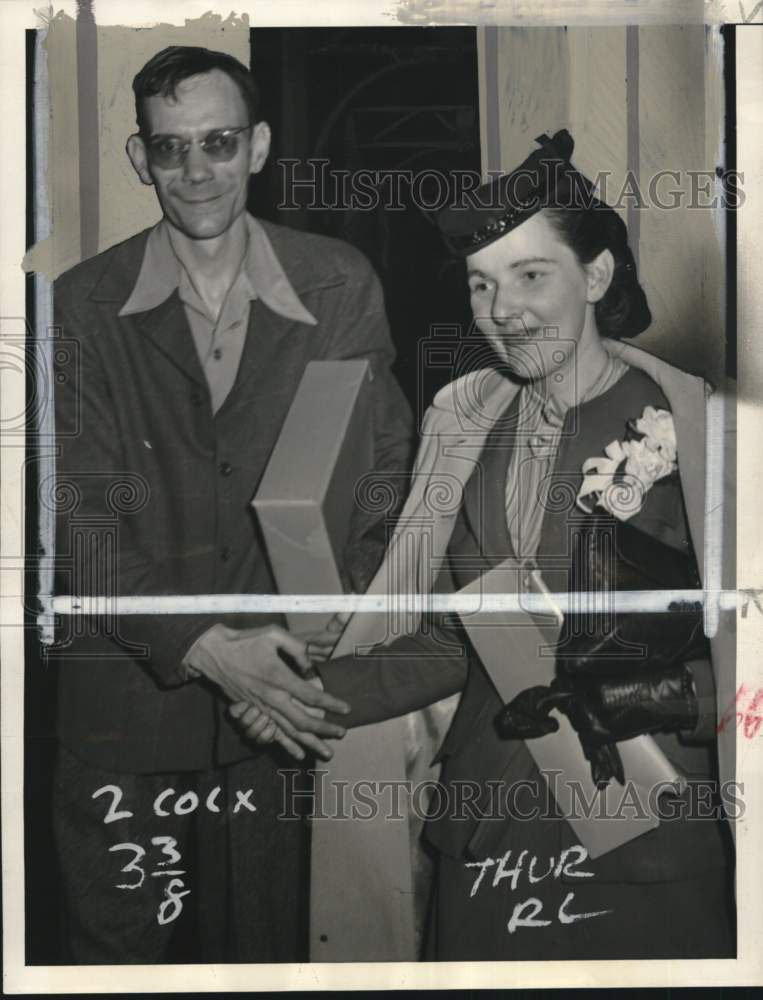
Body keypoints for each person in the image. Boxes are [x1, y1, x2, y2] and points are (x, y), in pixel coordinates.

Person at [233, 130, 736, 960]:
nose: (502, 310)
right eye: (480, 285)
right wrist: (312, 692)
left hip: (645, 844)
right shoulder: (471, 427)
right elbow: (458, 641)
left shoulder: (697, 430)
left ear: (597, 276)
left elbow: (747, 662)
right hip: (489, 836)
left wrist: (649, 697)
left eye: (531, 275)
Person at [50, 44, 412, 964]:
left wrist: (323, 633)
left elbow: (378, 479)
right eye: (170, 150)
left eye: (217, 142)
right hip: (126, 713)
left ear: (257, 146)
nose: (196, 170)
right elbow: (75, 518)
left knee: (268, 957)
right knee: (126, 965)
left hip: (280, 715)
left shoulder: (337, 285)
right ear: (141, 160)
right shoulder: (79, 305)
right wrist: (211, 651)